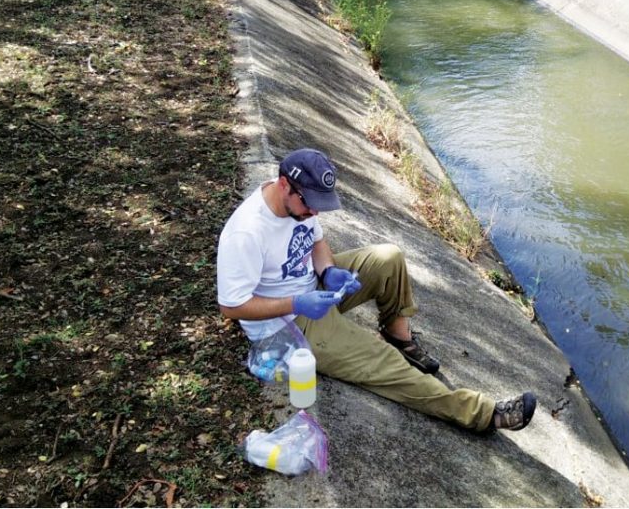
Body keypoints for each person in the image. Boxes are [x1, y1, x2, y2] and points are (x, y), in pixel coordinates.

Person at [217, 147, 536, 432]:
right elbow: (232, 307)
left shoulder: (298, 205)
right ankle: (482, 414)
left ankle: (400, 337)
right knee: (382, 361)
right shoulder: (247, 232)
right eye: (310, 204)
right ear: (284, 184)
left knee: (389, 258)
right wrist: (298, 303)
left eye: (319, 205)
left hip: (311, 288)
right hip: (287, 323)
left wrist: (328, 271)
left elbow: (315, 241)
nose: (315, 212)